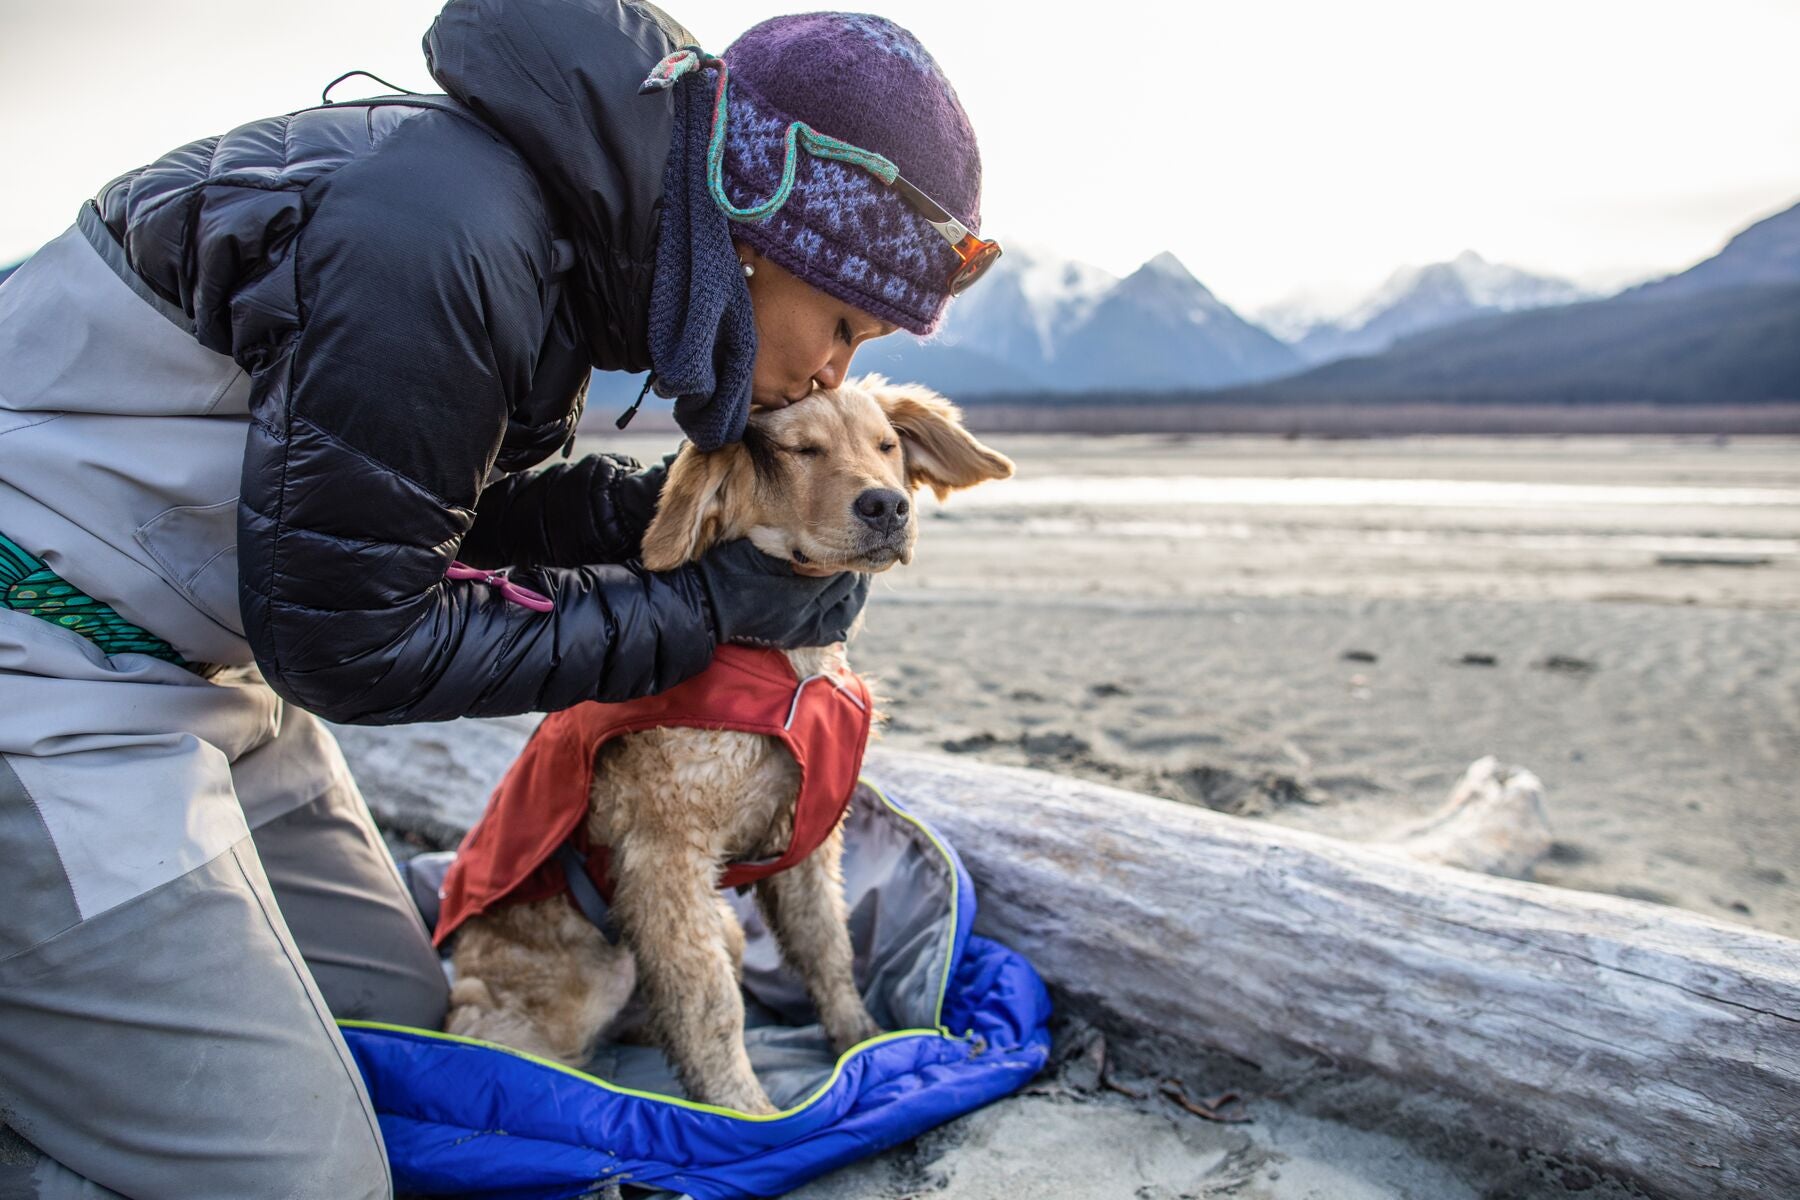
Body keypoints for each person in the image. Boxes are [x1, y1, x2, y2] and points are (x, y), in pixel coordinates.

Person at [0, 1, 996, 1194]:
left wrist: (639, 525)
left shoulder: (551, 243)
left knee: (409, 1021)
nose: (834, 373)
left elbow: (395, 510)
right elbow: (355, 641)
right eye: (843, 323)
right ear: (754, 235)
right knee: (307, 1178)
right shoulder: (436, 233)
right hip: (47, 680)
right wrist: (701, 615)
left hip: (215, 672)